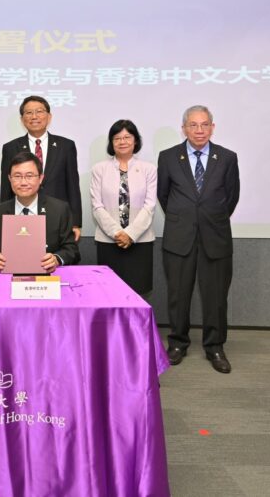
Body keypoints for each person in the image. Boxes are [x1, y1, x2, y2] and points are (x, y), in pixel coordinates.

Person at [158, 105, 240, 374]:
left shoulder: (227, 158)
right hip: (179, 238)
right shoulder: (169, 157)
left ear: (212, 127)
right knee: (178, 295)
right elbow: (164, 196)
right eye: (193, 125)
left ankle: (215, 346)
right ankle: (178, 343)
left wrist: (208, 218)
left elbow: (231, 197)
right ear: (184, 128)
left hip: (214, 237)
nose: (199, 130)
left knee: (216, 296)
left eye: (205, 124)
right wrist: (186, 218)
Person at [90, 119, 157, 301]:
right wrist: (117, 233)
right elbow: (97, 205)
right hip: (108, 241)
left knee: (138, 292)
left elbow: (149, 205)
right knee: (109, 293)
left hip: (140, 241)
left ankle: (136, 330)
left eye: (127, 137)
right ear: (111, 142)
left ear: (135, 141)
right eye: (117, 138)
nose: (122, 141)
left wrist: (131, 234)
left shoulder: (148, 169)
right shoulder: (99, 169)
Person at [0, 96, 82, 241]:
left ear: (49, 117)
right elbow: (6, 188)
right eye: (29, 113)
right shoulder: (10, 148)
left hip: (58, 216)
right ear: (22, 118)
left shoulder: (66, 146)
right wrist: (5, 221)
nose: (34, 116)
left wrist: (75, 223)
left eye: (39, 111)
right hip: (22, 217)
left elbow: (73, 186)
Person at [0, 151, 79, 272]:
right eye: (17, 176)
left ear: (41, 178)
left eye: (29, 176)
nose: (23, 182)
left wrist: (56, 259)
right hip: (6, 277)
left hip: (47, 278)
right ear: (9, 179)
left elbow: (71, 250)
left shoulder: (60, 210)